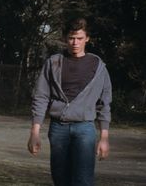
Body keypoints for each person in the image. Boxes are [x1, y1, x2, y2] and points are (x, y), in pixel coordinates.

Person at [27, 16, 112, 186]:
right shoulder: (53, 63)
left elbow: (104, 103)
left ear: (87, 38)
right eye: (71, 38)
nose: (75, 42)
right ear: (65, 38)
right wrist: (34, 133)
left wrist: (104, 137)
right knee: (60, 178)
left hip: (85, 128)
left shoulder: (97, 66)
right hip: (58, 128)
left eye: (79, 38)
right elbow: (41, 96)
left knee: (83, 180)